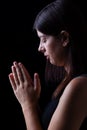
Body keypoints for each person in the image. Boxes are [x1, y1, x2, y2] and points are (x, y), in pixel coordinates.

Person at [8, 0, 87, 129]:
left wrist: (27, 104)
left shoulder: (79, 86)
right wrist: (32, 102)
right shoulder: (69, 82)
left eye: (44, 40)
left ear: (64, 38)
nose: (40, 48)